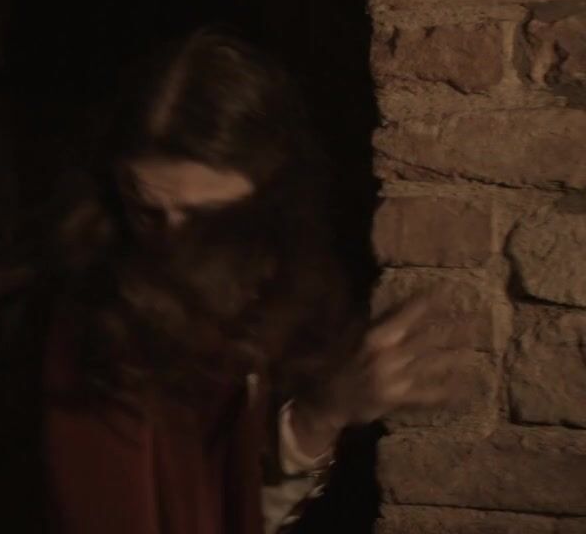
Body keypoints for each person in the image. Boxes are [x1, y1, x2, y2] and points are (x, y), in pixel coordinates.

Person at [42, 28, 458, 533]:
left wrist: (322, 413)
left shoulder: (294, 277)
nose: (174, 241)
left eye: (206, 217)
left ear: (265, 192)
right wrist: (316, 419)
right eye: (147, 211)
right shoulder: (97, 320)